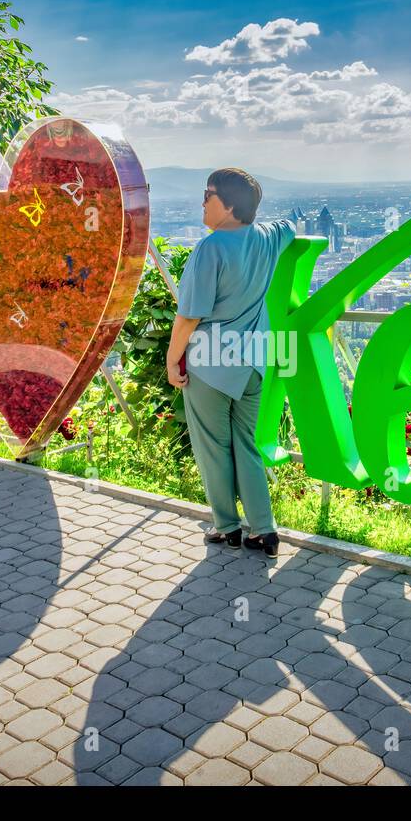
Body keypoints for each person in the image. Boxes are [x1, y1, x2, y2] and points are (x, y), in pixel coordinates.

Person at [166, 168, 295, 556]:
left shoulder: (211, 248)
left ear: (230, 205)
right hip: (254, 362)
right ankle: (264, 530)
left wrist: (174, 361)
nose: (203, 201)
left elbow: (189, 317)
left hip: (210, 364)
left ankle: (226, 526)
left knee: (213, 446)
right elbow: (288, 226)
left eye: (209, 194)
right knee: (248, 446)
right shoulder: (267, 238)